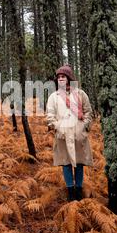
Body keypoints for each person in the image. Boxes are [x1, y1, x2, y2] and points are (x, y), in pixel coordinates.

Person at [46, 65, 93, 201]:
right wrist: (57, 127)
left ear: (69, 78)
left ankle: (78, 190)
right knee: (66, 163)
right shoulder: (54, 97)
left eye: (63, 76)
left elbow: (88, 112)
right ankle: (70, 191)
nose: (61, 79)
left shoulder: (80, 94)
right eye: (59, 77)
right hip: (62, 134)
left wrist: (84, 127)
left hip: (78, 135)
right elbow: (50, 115)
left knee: (79, 163)